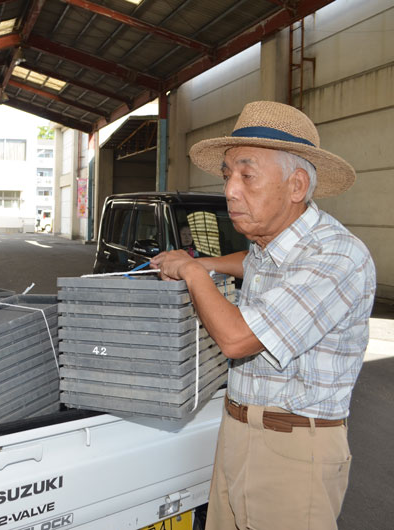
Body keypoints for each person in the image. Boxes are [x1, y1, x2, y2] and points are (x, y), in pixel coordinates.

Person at [150, 101, 375, 530]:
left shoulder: (337, 255)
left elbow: (237, 338)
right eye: (227, 175)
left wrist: (194, 271)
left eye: (247, 175)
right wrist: (214, 263)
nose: (230, 189)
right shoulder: (268, 247)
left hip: (294, 454)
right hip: (237, 434)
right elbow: (248, 262)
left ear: (296, 185)